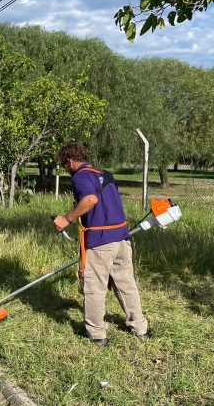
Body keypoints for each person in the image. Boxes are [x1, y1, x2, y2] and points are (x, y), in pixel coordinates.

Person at [53, 143, 150, 346]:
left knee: (95, 288)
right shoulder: (104, 174)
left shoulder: (80, 176)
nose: (66, 169)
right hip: (121, 239)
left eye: (64, 165)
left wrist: (67, 218)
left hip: (100, 242)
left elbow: (90, 200)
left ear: (69, 161)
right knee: (126, 284)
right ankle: (139, 327)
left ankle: (97, 334)